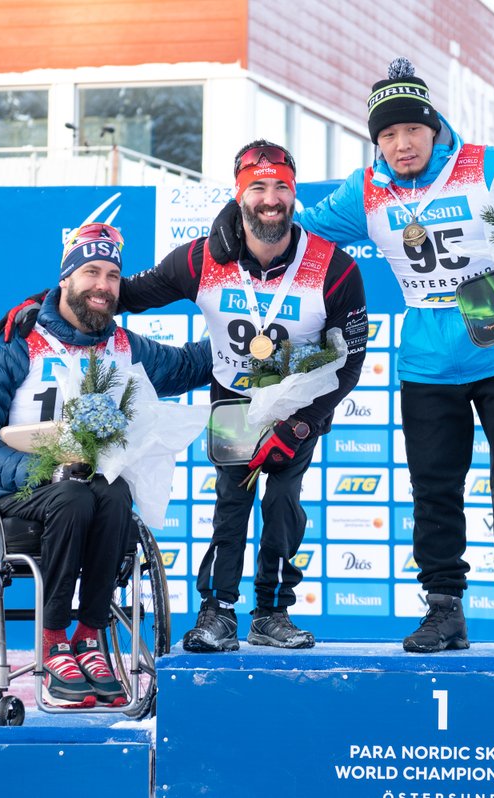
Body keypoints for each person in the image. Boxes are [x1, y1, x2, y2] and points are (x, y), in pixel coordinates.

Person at [210, 59, 494, 656]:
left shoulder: (486, 167)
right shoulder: (368, 188)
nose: (401, 144)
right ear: (376, 141)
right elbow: (300, 229)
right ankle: (444, 611)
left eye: (412, 130)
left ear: (434, 128)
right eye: (387, 135)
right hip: (427, 364)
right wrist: (234, 221)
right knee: (433, 489)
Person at [121, 140, 368, 652]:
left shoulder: (334, 267)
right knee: (231, 503)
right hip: (233, 401)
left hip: (297, 406)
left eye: (281, 187)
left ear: (294, 195)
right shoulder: (201, 260)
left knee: (282, 502)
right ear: (239, 196)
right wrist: (49, 303)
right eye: (257, 187)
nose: (270, 198)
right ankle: (217, 612)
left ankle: (271, 613)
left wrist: (302, 424)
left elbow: (351, 359)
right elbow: (125, 294)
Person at [0, 222, 212, 707]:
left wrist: (253, 336)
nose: (103, 285)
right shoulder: (17, 339)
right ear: (66, 279)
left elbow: (190, 366)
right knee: (73, 494)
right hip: (21, 495)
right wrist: (37, 471)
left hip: (92, 493)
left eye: (113, 275)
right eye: (91, 271)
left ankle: (89, 636)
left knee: (114, 492)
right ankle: (53, 642)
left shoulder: (124, 348)